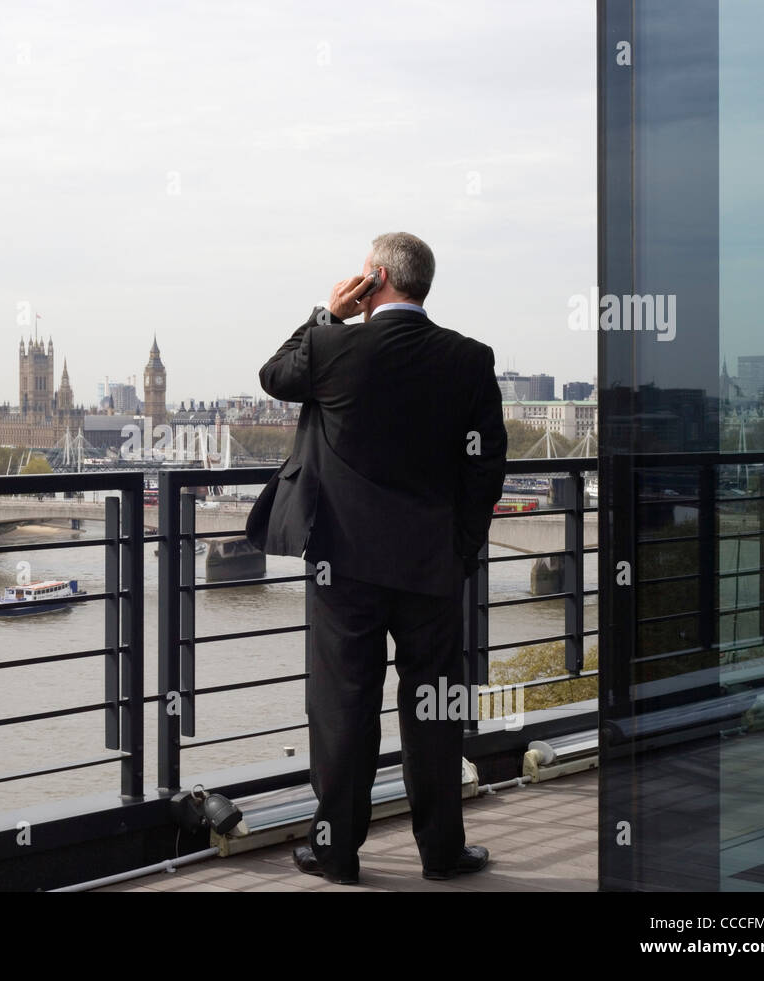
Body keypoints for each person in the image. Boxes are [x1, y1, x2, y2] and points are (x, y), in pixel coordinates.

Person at [245, 231, 507, 885]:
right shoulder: (469, 358)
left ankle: (337, 852)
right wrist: (464, 549)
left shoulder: (334, 347)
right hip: (431, 566)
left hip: (345, 566)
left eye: (364, 273)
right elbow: (486, 467)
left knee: (344, 707)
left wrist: (326, 311)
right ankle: (442, 852)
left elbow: (274, 375)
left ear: (377, 279)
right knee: (436, 706)